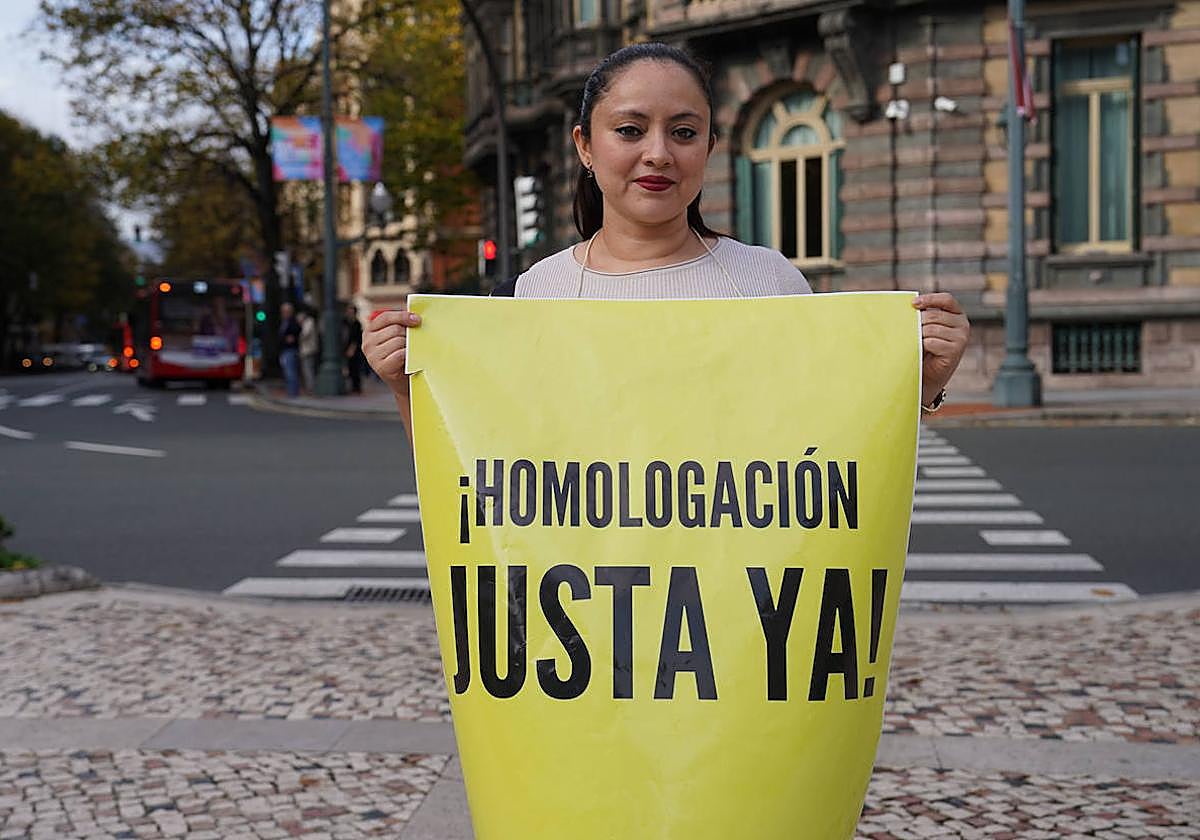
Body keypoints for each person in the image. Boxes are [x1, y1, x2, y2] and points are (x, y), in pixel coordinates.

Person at [364, 43, 970, 442]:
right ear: (585, 146)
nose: (658, 153)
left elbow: (832, 455)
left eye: (683, 132)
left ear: (708, 148)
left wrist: (924, 382)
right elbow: (480, 475)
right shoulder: (531, 296)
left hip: (739, 596)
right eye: (630, 130)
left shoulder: (769, 283)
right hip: (582, 597)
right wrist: (404, 385)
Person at [279, 302, 302, 398]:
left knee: (291, 372)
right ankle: (291, 391)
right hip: (285, 350)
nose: (284, 313)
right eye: (283, 311)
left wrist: (292, 338)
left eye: (286, 311)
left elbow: (296, 333)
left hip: (291, 350)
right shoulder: (284, 322)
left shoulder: (293, 322)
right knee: (288, 372)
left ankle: (293, 393)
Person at [343, 303, 366, 394]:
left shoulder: (357, 324)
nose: (349, 313)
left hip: (355, 350)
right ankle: (352, 387)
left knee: (355, 369)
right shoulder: (345, 323)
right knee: (349, 369)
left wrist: (352, 349)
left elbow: (356, 338)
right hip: (346, 348)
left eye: (351, 312)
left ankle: (356, 387)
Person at [298, 307, 319, 394]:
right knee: (307, 370)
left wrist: (301, 324)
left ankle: (311, 389)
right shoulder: (308, 322)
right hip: (306, 350)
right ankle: (309, 388)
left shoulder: (309, 322)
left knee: (308, 370)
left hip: (308, 350)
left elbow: (305, 334)